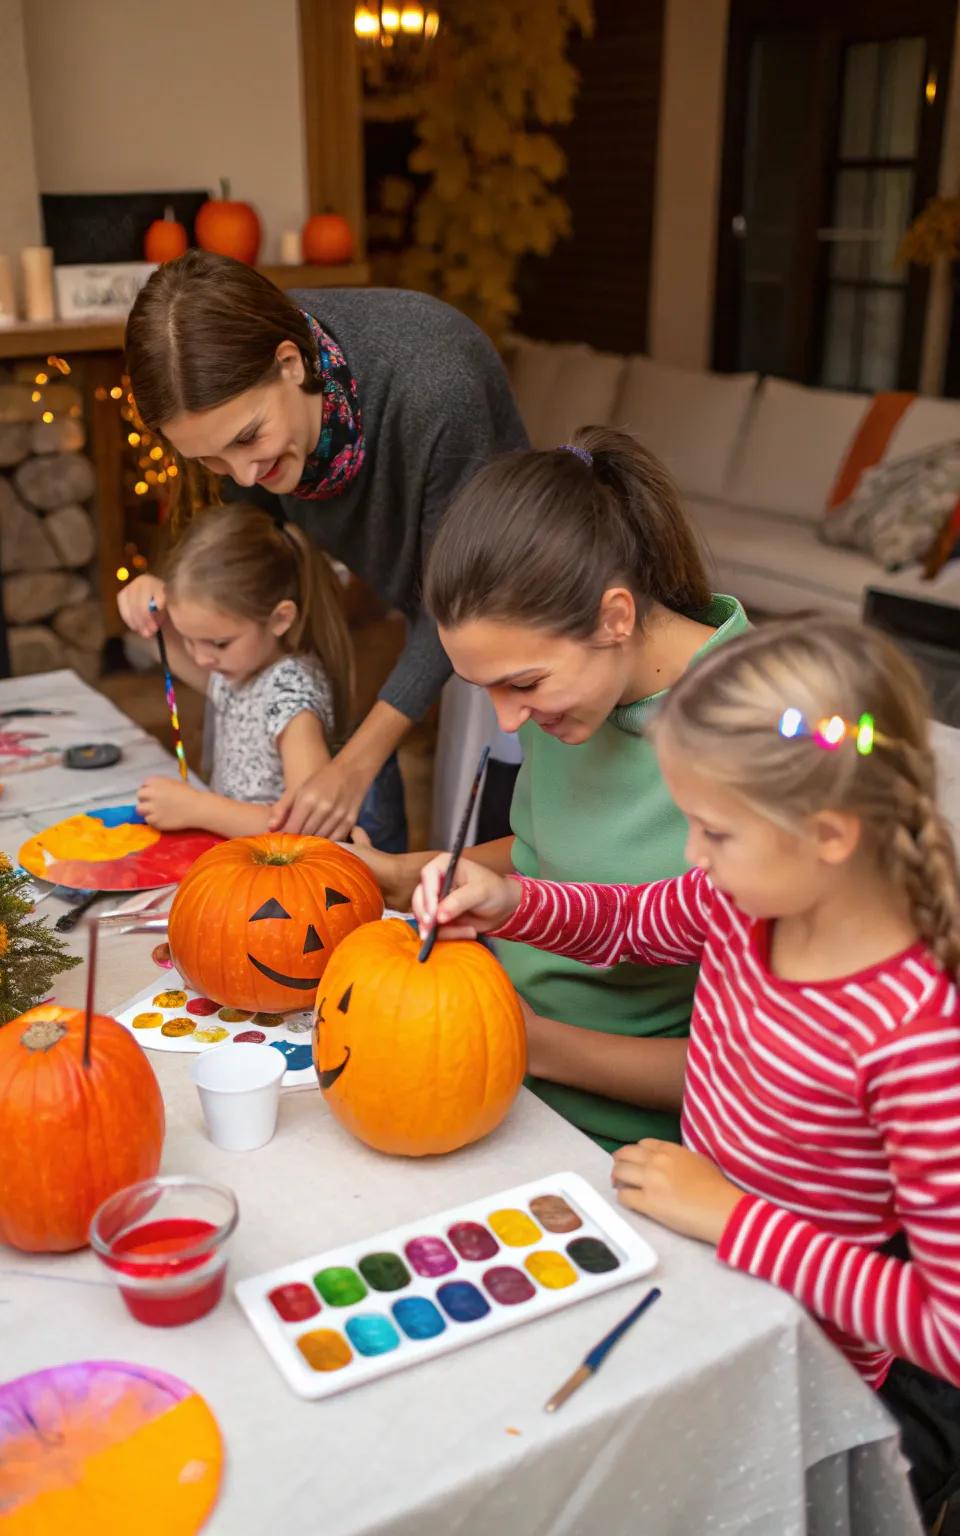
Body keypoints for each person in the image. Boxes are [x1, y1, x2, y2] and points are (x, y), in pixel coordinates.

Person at [414, 616, 960, 1533]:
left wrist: (733, 1217)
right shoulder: (744, 901)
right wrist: (513, 902)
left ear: (828, 834)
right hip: (692, 1261)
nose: (694, 856)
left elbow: (946, 1328)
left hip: (793, 1362)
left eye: (712, 830)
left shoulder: (914, 1040)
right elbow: (633, 924)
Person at [360, 427, 749, 1149]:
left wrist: (520, 1040)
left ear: (615, 617)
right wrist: (406, 874)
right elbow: (555, 858)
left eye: (523, 685)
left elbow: (761, 1076)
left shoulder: (763, 749)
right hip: (500, 1067)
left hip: (621, 1139)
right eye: (488, 690)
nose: (509, 721)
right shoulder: (575, 693)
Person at [123, 249, 528, 852]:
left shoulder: (434, 383)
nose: (243, 473)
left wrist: (355, 765)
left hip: (512, 606)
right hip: (436, 604)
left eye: (248, 438)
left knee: (514, 842)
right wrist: (176, 589)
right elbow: (246, 546)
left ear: (290, 364)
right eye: (209, 460)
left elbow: (454, 605)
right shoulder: (248, 401)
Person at [117, 503, 352, 840]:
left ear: (279, 619)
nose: (200, 659)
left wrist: (197, 808)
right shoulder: (239, 667)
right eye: (189, 640)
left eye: (218, 643)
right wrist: (147, 599)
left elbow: (307, 828)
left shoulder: (292, 695)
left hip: (276, 882)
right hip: (233, 863)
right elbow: (167, 647)